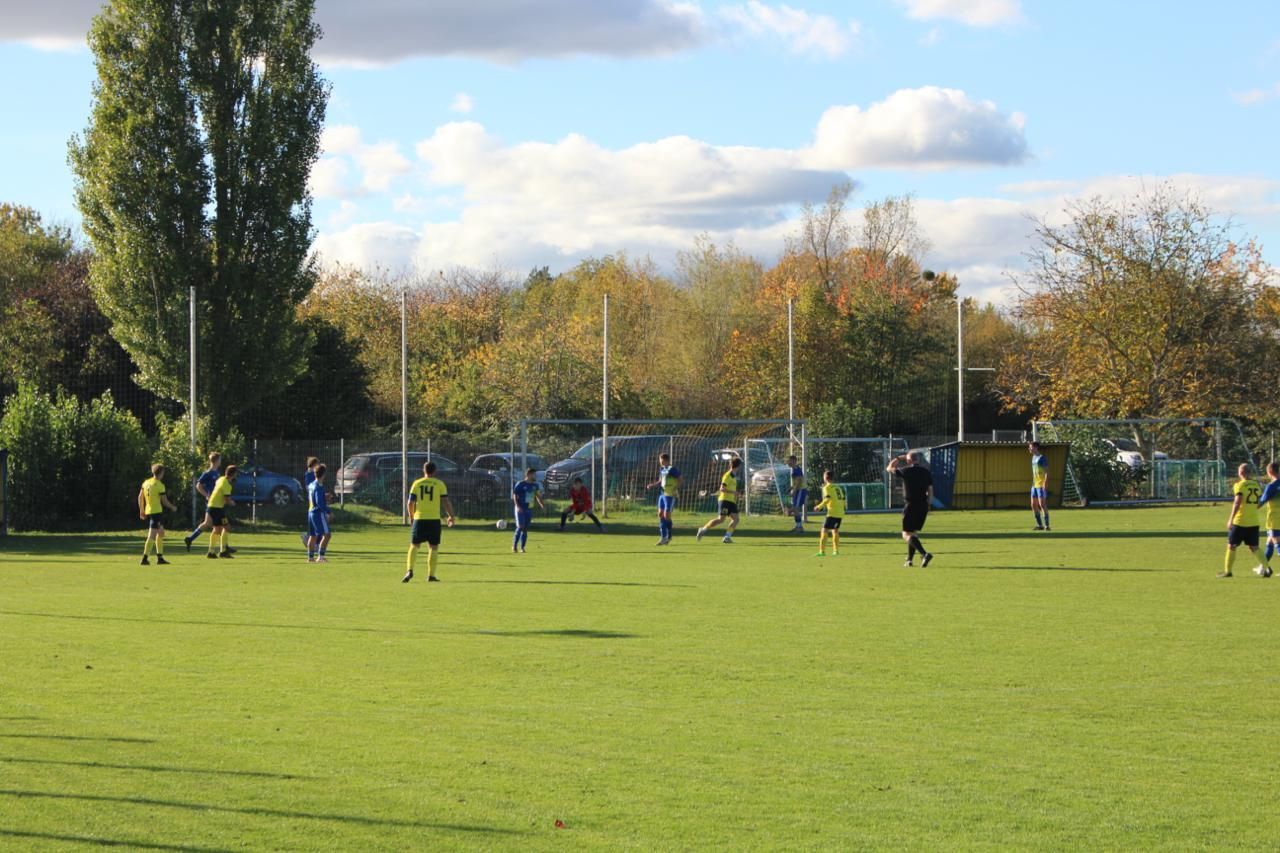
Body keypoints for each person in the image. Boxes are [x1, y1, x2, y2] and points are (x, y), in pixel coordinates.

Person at [404, 461, 455, 583]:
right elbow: (445, 502)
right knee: (433, 546)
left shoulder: (417, 483)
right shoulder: (439, 484)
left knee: (414, 545)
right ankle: (431, 575)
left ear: (424, 470)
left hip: (419, 519)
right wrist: (451, 516)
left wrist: (411, 516)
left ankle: (409, 570)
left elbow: (410, 503)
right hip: (434, 519)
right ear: (435, 471)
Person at [888, 451, 934, 567]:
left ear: (908, 460)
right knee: (913, 533)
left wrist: (898, 458)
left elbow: (889, 468)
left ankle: (924, 554)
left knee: (905, 534)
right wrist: (929, 505)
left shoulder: (906, 471)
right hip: (923, 505)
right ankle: (909, 560)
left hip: (911, 505)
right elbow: (930, 489)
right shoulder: (926, 472)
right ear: (918, 459)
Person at [1221, 462, 1264, 578]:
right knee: (1254, 546)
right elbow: (1260, 502)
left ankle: (1228, 571)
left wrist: (1231, 518)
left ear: (1241, 472)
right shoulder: (1256, 485)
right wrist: (1252, 509)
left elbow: (1237, 502)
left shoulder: (1239, 485)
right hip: (1254, 521)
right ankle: (1267, 568)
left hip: (1240, 521)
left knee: (1231, 545)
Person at [697, 456, 744, 543]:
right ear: (738, 466)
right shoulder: (727, 475)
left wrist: (735, 494)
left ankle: (727, 537)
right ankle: (703, 529)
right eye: (740, 465)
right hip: (725, 501)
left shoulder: (733, 476)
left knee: (736, 519)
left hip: (731, 501)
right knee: (721, 519)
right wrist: (734, 492)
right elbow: (722, 489)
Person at [184, 452, 225, 551]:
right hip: (212, 502)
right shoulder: (208, 473)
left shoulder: (217, 473)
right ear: (216, 461)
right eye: (220, 459)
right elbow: (198, 485)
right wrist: (207, 495)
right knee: (219, 525)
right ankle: (224, 547)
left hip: (216, 501)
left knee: (208, 524)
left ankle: (190, 539)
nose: (221, 461)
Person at [138, 463, 178, 565]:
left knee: (161, 533)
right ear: (161, 473)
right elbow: (164, 501)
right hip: (156, 512)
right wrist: (172, 507)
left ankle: (160, 558)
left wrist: (141, 510)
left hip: (149, 510)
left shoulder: (146, 482)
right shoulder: (160, 485)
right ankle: (144, 558)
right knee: (152, 535)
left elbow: (140, 497)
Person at [645, 452, 681, 545]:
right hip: (662, 494)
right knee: (660, 514)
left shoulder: (672, 469)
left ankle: (669, 535)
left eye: (661, 460)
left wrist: (675, 489)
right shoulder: (662, 469)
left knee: (666, 515)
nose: (660, 462)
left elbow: (680, 480)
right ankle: (663, 537)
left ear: (665, 460)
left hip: (670, 495)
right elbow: (661, 481)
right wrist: (652, 485)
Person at [206, 464, 239, 559]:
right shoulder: (227, 485)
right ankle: (223, 550)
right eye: (236, 473)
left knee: (217, 529)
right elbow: (226, 500)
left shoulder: (221, 479)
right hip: (216, 508)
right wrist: (232, 503)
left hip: (213, 506)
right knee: (226, 527)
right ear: (234, 474)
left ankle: (212, 552)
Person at [511, 467, 545, 553]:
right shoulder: (521, 484)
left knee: (525, 529)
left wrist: (542, 505)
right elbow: (515, 495)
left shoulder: (535, 485)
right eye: (534, 474)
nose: (535, 476)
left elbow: (538, 496)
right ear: (529, 475)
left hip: (529, 509)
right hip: (520, 509)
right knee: (520, 527)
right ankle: (514, 546)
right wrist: (517, 506)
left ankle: (522, 548)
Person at [812, 470, 845, 557]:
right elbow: (843, 499)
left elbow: (827, 498)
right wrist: (842, 509)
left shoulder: (826, 487)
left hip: (832, 512)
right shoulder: (838, 487)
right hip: (840, 512)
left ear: (825, 478)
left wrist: (819, 507)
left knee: (824, 530)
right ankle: (836, 551)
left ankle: (822, 552)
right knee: (835, 530)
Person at [1255, 461, 1279, 578]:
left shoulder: (1271, 486)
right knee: (1269, 543)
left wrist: (1250, 508)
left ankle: (1262, 567)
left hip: (1275, 519)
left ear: (1269, 472)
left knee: (1277, 544)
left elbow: (1261, 502)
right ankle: (1262, 567)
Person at [306, 464, 333, 563]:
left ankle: (310, 558)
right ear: (324, 474)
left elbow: (313, 497)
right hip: (318, 513)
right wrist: (328, 511)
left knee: (313, 536)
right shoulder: (319, 486)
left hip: (310, 512)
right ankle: (321, 557)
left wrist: (323, 496)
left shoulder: (311, 485)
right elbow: (319, 502)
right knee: (327, 535)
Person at [1028, 441, 1051, 531]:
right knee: (1033, 505)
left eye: (1031, 447)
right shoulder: (1033, 458)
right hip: (1034, 485)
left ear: (1036, 447)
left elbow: (1047, 472)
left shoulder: (1042, 458)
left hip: (1041, 485)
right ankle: (1039, 525)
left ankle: (1047, 525)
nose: (1029, 449)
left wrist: (1045, 483)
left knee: (1042, 504)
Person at [300, 456, 320, 548]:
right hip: (314, 500)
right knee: (318, 521)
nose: (318, 466)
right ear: (313, 464)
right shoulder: (310, 474)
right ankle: (311, 540)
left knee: (317, 521)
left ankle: (312, 540)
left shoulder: (311, 474)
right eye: (317, 464)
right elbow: (309, 488)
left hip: (314, 500)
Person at [787, 454, 807, 532]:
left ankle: (800, 527)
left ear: (794, 461)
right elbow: (796, 482)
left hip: (801, 490)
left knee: (796, 508)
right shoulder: (794, 469)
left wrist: (793, 492)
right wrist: (791, 488)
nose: (788, 462)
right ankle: (798, 526)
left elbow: (799, 482)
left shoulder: (797, 469)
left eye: (790, 461)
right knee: (795, 509)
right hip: (798, 490)